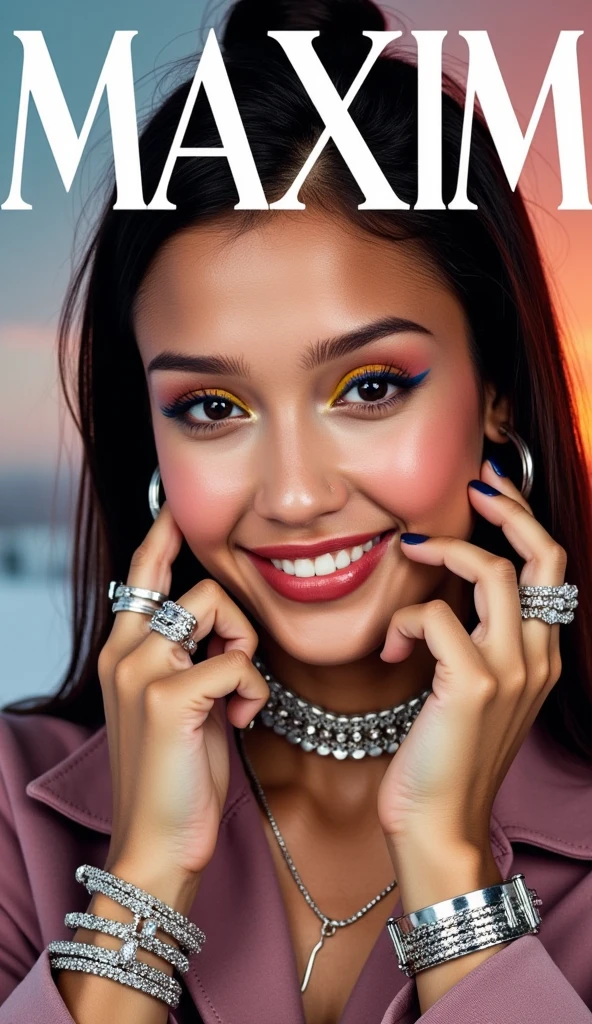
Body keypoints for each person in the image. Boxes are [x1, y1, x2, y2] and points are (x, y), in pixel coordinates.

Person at [1, 0, 592, 1021]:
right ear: (152, 445)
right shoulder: (18, 814)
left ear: (495, 387)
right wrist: (143, 880)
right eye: (212, 408)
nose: (296, 494)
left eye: (369, 387)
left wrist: (451, 878)